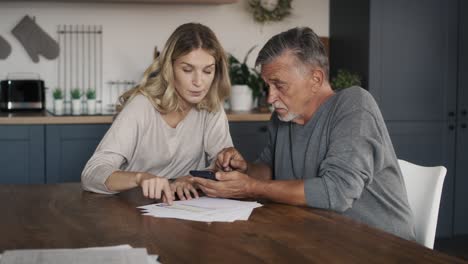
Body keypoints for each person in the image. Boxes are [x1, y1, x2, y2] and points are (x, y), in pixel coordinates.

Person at [193, 27, 416, 240]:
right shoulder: (283, 118)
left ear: (315, 79)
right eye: (267, 86)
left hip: (380, 246)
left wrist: (250, 186)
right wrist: (245, 169)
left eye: (279, 85)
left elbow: (337, 192)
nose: (270, 98)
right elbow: (270, 173)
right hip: (318, 238)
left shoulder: (354, 104)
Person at [81, 23, 233, 205]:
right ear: (169, 68)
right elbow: (91, 174)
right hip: (134, 209)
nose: (198, 82)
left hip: (185, 211)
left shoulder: (211, 108)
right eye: (187, 70)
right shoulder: (141, 106)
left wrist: (191, 179)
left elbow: (224, 169)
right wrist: (139, 178)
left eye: (207, 71)